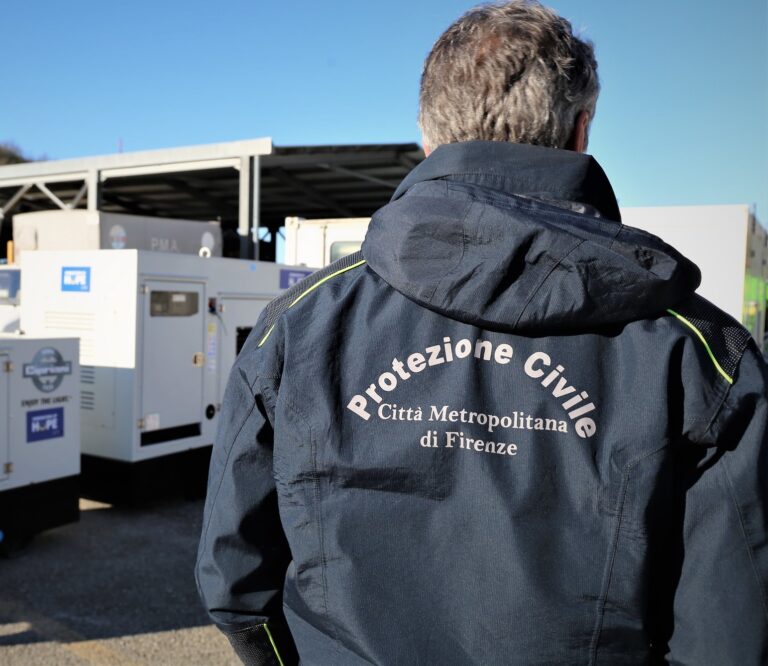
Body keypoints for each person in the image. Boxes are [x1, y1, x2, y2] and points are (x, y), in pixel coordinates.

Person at [196, 2, 768, 664]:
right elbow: (730, 629)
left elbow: (235, 584)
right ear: (582, 131)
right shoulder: (698, 357)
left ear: (426, 137)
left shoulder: (301, 325)